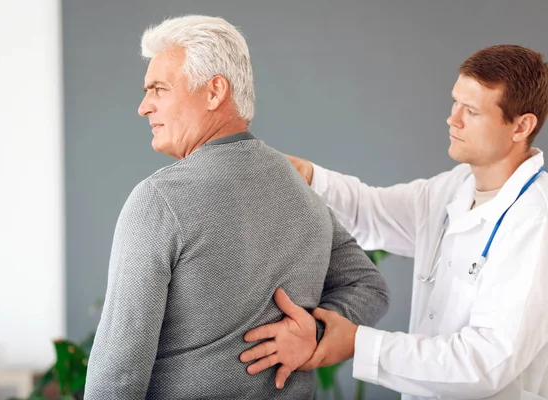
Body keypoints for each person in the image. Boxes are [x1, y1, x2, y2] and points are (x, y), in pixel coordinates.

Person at [84, 15, 389, 400]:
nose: (144, 107)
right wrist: (312, 332)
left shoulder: (158, 201)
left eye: (159, 89)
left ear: (215, 91)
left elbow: (117, 375)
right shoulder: (301, 192)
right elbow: (368, 286)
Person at [241, 44, 548, 400]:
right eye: (455, 102)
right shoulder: (454, 188)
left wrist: (361, 344)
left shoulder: (536, 220)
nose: (453, 119)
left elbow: (486, 363)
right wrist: (309, 176)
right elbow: (371, 213)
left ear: (521, 126)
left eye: (472, 111)